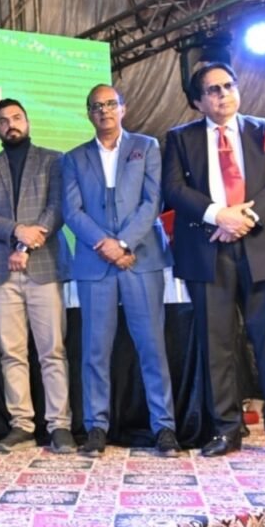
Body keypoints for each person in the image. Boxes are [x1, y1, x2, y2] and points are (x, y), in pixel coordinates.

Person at [162, 62, 265, 459]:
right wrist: (217, 215)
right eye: (213, 90)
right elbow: (172, 189)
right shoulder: (180, 138)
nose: (223, 94)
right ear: (197, 101)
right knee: (217, 345)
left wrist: (245, 217)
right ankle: (226, 430)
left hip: (264, 248)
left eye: (228, 86)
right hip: (207, 250)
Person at [61, 84, 181, 457]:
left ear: (123, 109)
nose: (104, 111)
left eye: (111, 104)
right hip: (96, 262)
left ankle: (164, 427)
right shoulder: (73, 158)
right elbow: (71, 211)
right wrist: (107, 245)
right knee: (95, 350)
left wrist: (125, 243)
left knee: (152, 346)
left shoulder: (147, 146)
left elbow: (153, 201)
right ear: (89, 113)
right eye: (96, 106)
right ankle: (96, 426)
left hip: (141, 259)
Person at [0, 98, 74, 454]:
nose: (10, 124)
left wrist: (27, 244)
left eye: (16, 118)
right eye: (3, 120)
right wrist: (17, 231)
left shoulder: (54, 160)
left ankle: (59, 425)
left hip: (44, 267)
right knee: (11, 352)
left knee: (52, 351)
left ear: (27, 121)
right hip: (3, 271)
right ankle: (22, 425)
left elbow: (57, 208)